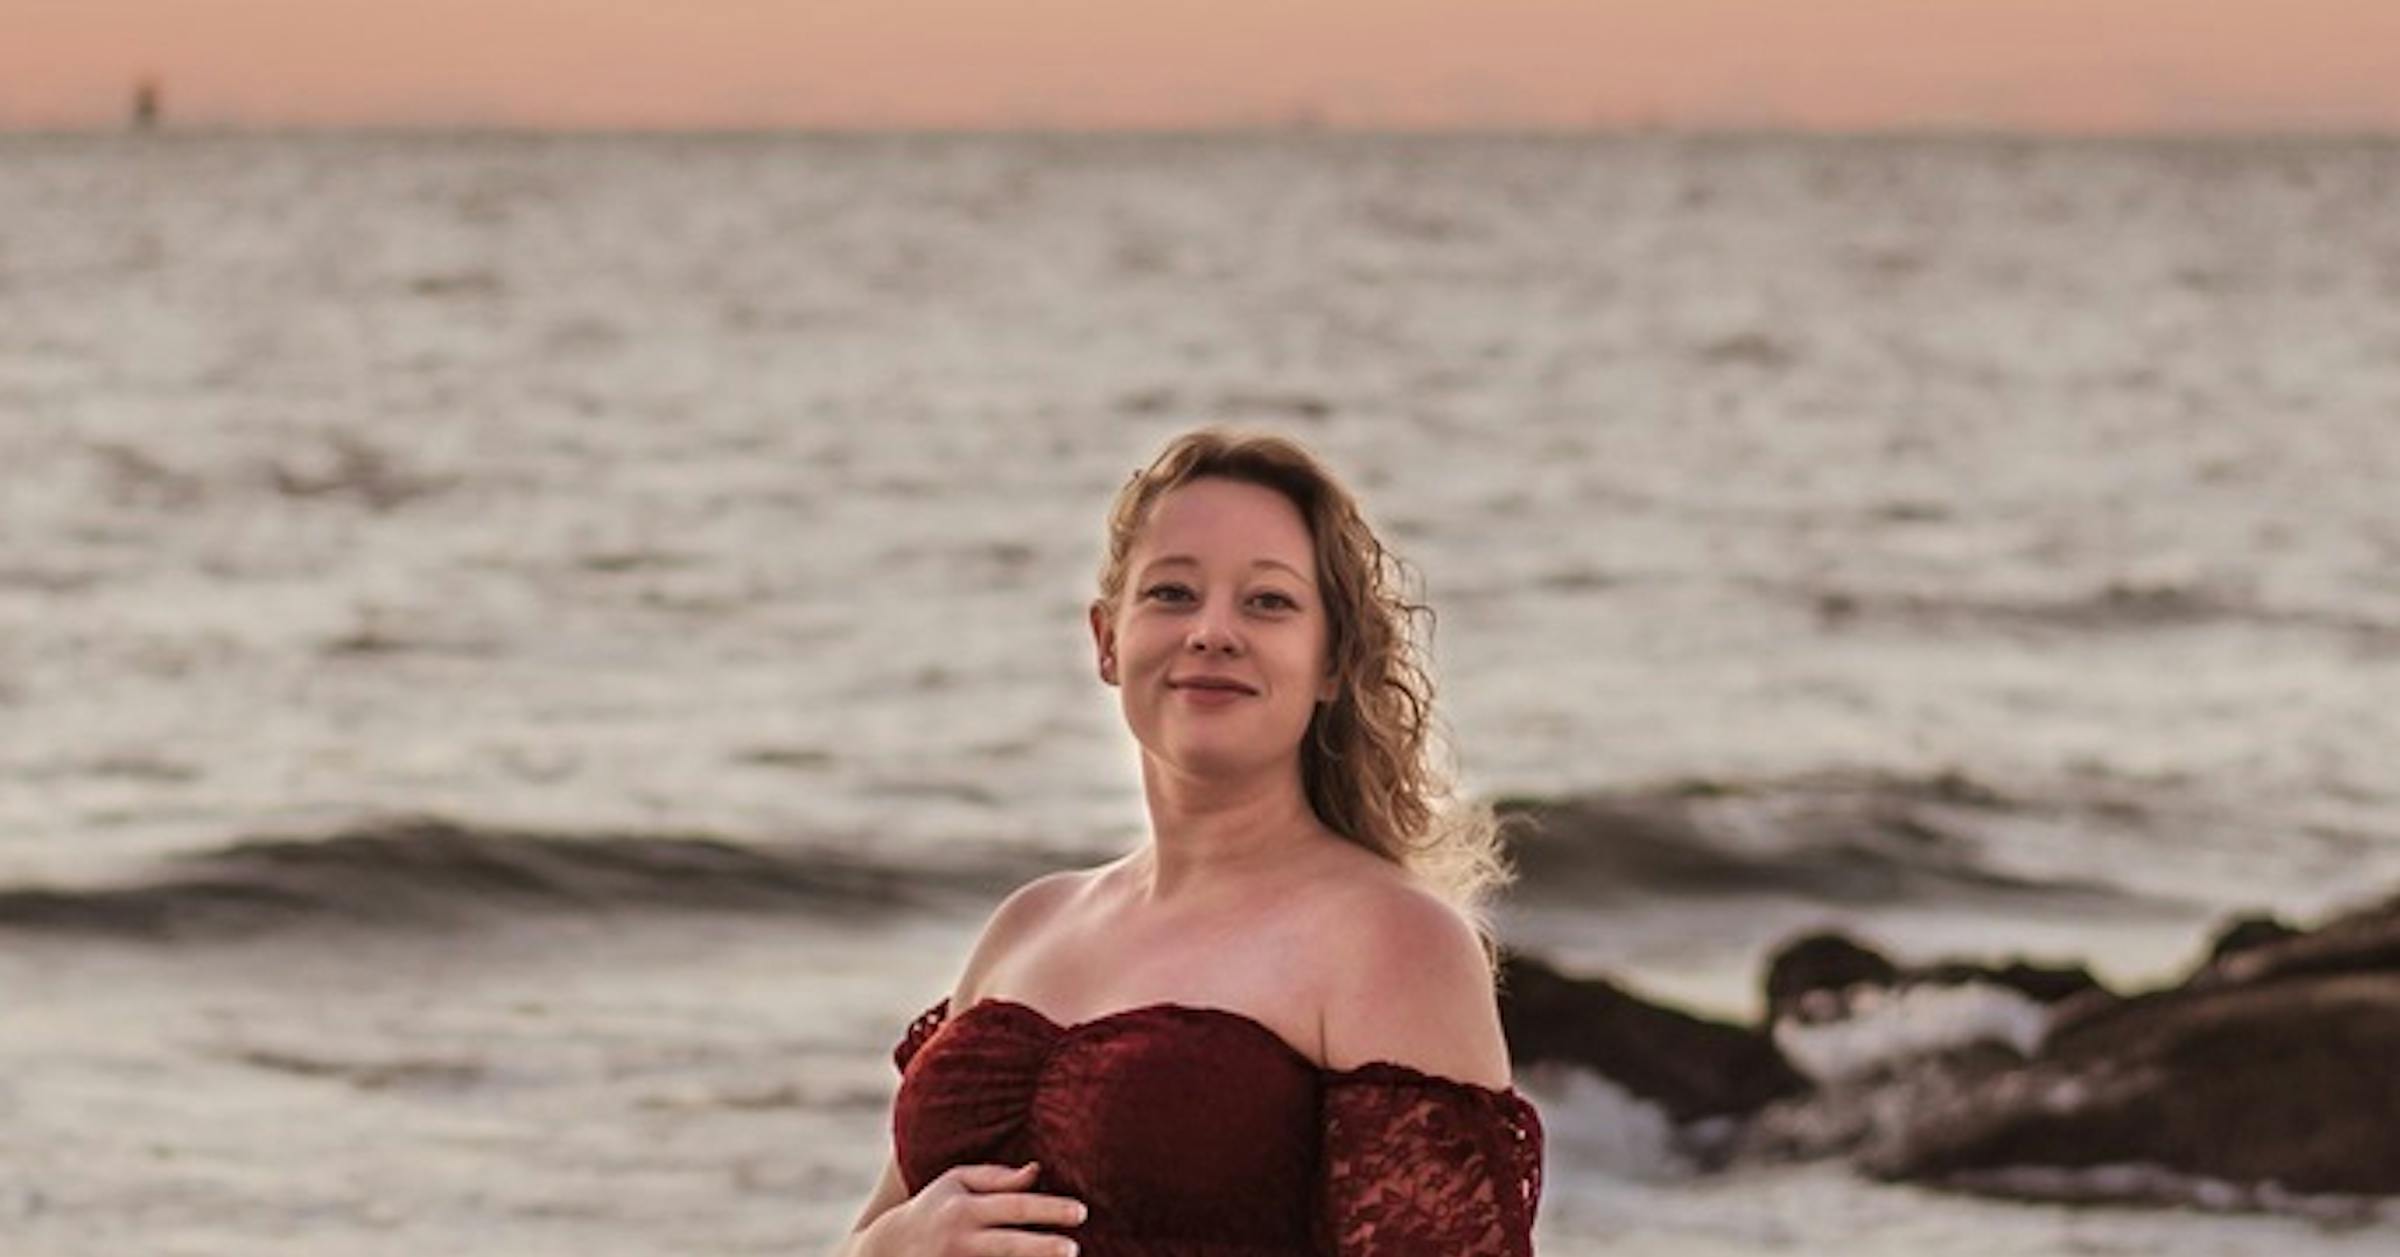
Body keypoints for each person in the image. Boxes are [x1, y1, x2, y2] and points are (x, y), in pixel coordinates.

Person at [830, 428, 1543, 1256]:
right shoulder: (1029, 922)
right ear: (1107, 640)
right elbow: (869, 1236)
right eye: (1172, 592)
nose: (1212, 630)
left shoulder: (1391, 939)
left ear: (1332, 662)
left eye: (1267, 601)